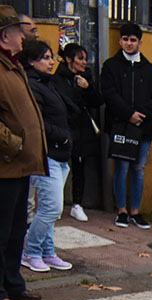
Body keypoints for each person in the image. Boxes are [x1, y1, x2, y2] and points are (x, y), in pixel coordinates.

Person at [0, 5, 46, 300]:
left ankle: (13, 284)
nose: (24, 35)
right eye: (19, 30)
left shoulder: (13, 66)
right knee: (1, 232)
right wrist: (16, 145)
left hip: (21, 166)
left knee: (17, 231)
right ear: (5, 36)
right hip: (6, 165)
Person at [100, 22, 152, 230]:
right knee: (121, 167)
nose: (129, 43)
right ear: (120, 41)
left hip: (143, 128)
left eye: (133, 40)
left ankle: (136, 212)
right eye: (126, 39)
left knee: (138, 169)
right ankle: (122, 211)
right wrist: (128, 114)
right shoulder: (110, 66)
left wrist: (142, 115)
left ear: (140, 42)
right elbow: (109, 93)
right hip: (121, 127)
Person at [20, 38, 73, 273]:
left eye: (52, 57)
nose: (51, 62)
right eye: (45, 58)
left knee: (49, 209)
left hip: (60, 155)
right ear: (31, 61)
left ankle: (47, 251)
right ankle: (30, 252)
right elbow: (36, 122)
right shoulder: (32, 85)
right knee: (51, 208)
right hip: (47, 154)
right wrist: (60, 136)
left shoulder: (48, 83)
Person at [55, 43, 100, 222]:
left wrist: (87, 88)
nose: (84, 62)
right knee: (59, 166)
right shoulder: (58, 78)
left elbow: (97, 101)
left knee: (79, 165)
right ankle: (55, 204)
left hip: (81, 128)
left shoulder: (85, 77)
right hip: (64, 127)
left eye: (85, 58)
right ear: (68, 60)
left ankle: (77, 204)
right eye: (80, 58)